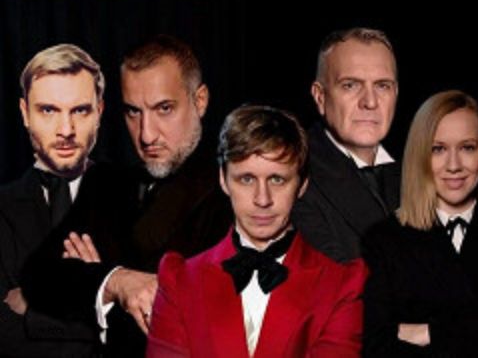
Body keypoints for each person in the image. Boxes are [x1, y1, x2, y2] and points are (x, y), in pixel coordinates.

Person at [21, 35, 232, 357]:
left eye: (164, 109)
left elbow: (199, 326)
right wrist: (116, 281)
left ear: (199, 101)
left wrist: (92, 281)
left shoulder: (235, 192)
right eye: (133, 112)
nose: (146, 134)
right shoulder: (104, 184)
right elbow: (38, 277)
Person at [147, 105, 368, 358]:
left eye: (277, 179)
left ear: (302, 185)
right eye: (247, 179)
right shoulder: (180, 281)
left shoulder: (341, 287)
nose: (262, 199)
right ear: (223, 180)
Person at [362, 90, 478, 357]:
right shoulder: (382, 241)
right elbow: (375, 347)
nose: (453, 165)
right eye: (438, 149)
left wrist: (428, 332)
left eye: (468, 148)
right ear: (419, 154)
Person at [0, 44, 105, 357]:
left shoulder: (137, 200)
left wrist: (34, 311)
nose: (66, 130)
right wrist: (99, 305)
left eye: (80, 110)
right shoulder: (2, 208)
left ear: (99, 111)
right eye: (49, 110)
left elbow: (144, 329)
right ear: (25, 113)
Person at [292, 27, 401, 262]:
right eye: (351, 85)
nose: (370, 102)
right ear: (320, 97)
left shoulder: (420, 173)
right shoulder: (292, 176)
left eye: (382, 85)